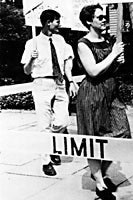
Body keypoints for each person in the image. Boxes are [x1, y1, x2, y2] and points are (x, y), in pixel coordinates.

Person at [76, 4, 131, 200]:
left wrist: (118, 62)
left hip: (111, 93)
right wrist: (113, 55)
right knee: (94, 139)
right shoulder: (83, 43)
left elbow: (109, 69)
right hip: (92, 93)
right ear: (89, 21)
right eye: (100, 17)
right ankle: (100, 183)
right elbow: (93, 71)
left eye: (104, 16)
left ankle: (98, 171)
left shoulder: (107, 40)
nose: (104, 19)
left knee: (121, 132)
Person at [21, 9, 78, 176]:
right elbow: (26, 70)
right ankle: (46, 161)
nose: (59, 24)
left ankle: (51, 143)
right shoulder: (32, 43)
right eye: (57, 21)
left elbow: (67, 62)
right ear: (48, 22)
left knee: (63, 122)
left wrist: (71, 81)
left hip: (59, 83)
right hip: (41, 83)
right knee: (43, 125)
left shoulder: (60, 41)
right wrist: (31, 58)